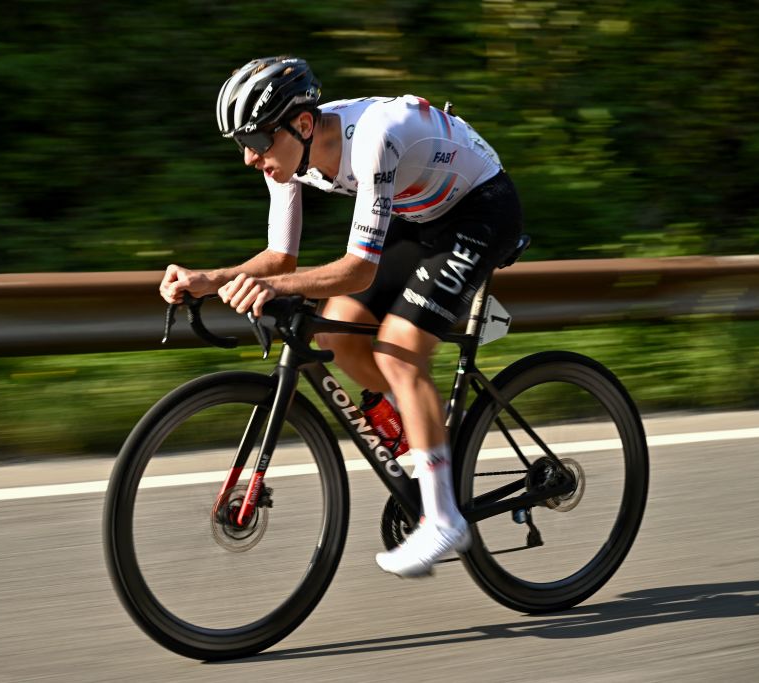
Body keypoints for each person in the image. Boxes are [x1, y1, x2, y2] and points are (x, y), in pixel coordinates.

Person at [159, 56, 523, 577]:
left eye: (256, 142)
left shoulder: (375, 138)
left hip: (481, 210)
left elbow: (356, 270)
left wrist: (270, 287)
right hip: (419, 212)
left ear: (303, 125)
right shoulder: (286, 152)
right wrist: (210, 278)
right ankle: (424, 441)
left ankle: (445, 519)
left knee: (399, 350)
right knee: (337, 335)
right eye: (242, 143)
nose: (248, 157)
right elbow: (279, 258)